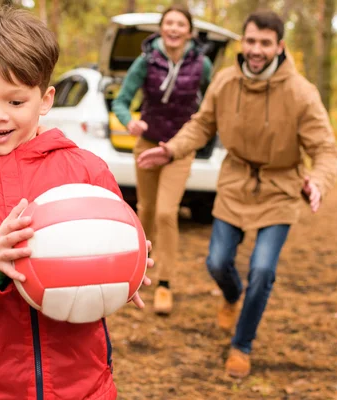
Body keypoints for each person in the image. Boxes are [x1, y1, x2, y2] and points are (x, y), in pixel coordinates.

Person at [0, 7, 153, 399]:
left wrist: (130, 261)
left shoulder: (88, 174)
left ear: (45, 100)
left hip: (84, 388)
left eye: (16, 102)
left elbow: (117, 243)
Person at [137, 10, 337, 378]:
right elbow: (201, 125)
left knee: (262, 270)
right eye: (250, 41)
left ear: (279, 46)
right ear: (242, 43)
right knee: (216, 263)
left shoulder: (301, 93)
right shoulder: (226, 82)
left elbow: (326, 150)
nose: (256, 49)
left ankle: (241, 345)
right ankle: (232, 296)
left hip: (280, 187)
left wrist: (318, 182)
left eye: (265, 43)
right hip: (234, 183)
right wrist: (171, 150)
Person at [112, 4, 213, 316]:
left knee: (167, 213)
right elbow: (121, 101)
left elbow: (212, 102)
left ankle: (166, 283)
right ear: (161, 29)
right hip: (147, 144)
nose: (173, 29)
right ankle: (138, 273)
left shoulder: (203, 64)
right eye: (168, 23)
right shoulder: (146, 61)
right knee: (146, 210)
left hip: (179, 149)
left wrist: (203, 119)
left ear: (189, 31)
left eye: (179, 24)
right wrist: (130, 121)